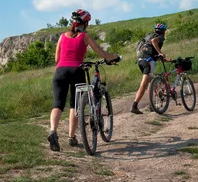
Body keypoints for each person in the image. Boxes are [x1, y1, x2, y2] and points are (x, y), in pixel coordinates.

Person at [48, 9, 120, 152]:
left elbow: (56, 59)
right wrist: (115, 56)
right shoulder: (85, 36)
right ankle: (71, 136)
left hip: (60, 71)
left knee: (58, 104)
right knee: (75, 105)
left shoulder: (62, 36)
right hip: (77, 70)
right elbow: (101, 52)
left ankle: (53, 131)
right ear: (85, 22)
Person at [131, 23, 170, 115]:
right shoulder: (159, 37)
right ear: (163, 32)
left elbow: (152, 53)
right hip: (148, 61)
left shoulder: (148, 37)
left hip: (141, 60)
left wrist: (164, 59)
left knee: (150, 82)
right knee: (144, 84)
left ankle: (152, 105)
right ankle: (134, 106)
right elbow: (154, 41)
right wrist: (160, 53)